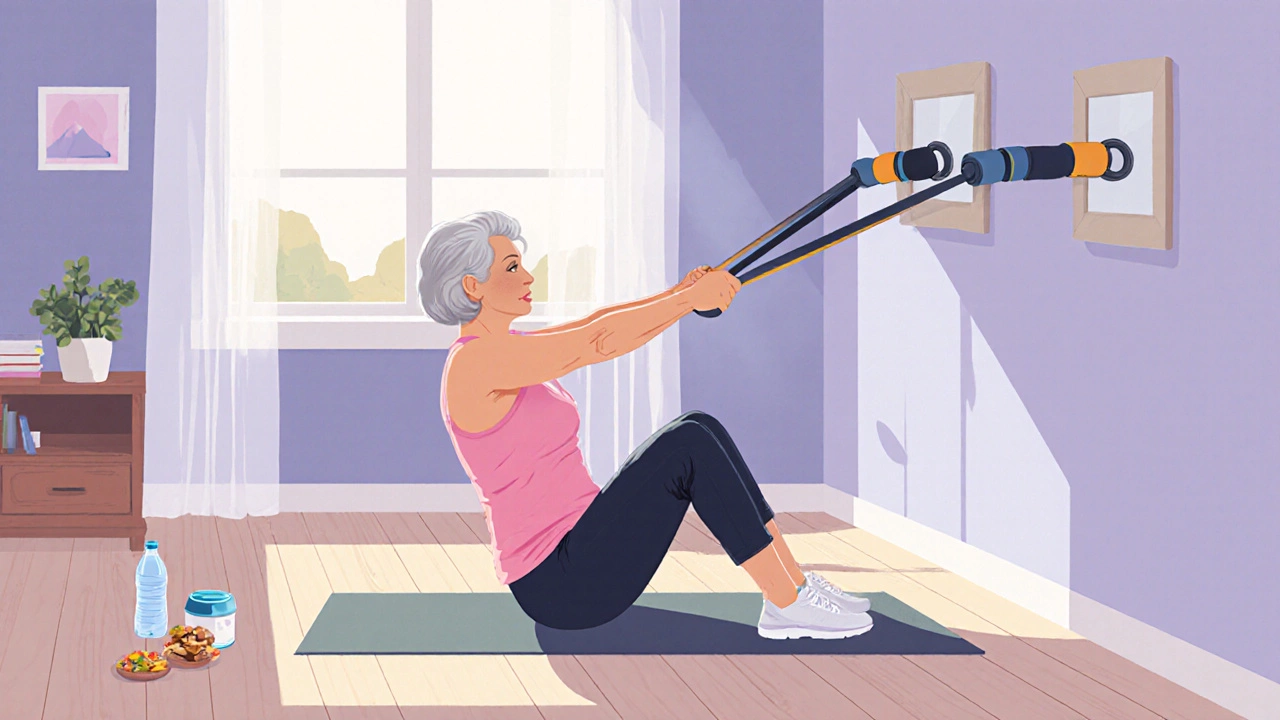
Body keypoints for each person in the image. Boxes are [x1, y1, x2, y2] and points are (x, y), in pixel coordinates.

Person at [418, 210, 873, 640]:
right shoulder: (475, 364)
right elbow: (596, 343)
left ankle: (793, 583)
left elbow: (595, 325)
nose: (528, 277)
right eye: (512, 267)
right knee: (688, 443)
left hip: (582, 544)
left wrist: (679, 297)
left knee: (699, 426)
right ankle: (785, 602)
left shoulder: (508, 347)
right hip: (560, 583)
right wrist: (686, 300)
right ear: (472, 286)